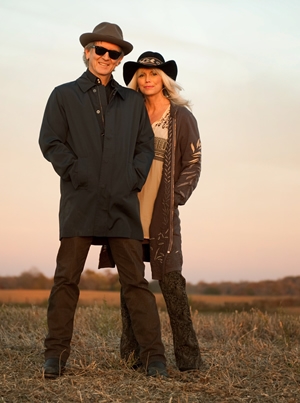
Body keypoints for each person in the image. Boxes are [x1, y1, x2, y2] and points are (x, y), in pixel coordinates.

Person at [39, 24, 168, 378]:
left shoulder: (131, 103)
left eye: (114, 54)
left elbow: (145, 147)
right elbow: (50, 142)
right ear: (88, 51)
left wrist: (132, 179)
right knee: (66, 278)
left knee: (136, 283)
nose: (106, 58)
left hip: (122, 205)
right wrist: (77, 172)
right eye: (100, 51)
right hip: (80, 201)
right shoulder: (63, 95)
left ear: (120, 58)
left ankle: (154, 358)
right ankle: (55, 356)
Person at [116, 51, 202, 371]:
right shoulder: (128, 112)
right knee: (132, 283)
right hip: (128, 205)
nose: (147, 79)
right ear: (136, 80)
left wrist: (175, 198)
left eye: (153, 74)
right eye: (141, 74)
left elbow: (193, 164)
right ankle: (133, 357)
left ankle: (189, 359)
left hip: (162, 210)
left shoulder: (181, 117)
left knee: (172, 283)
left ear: (163, 79)